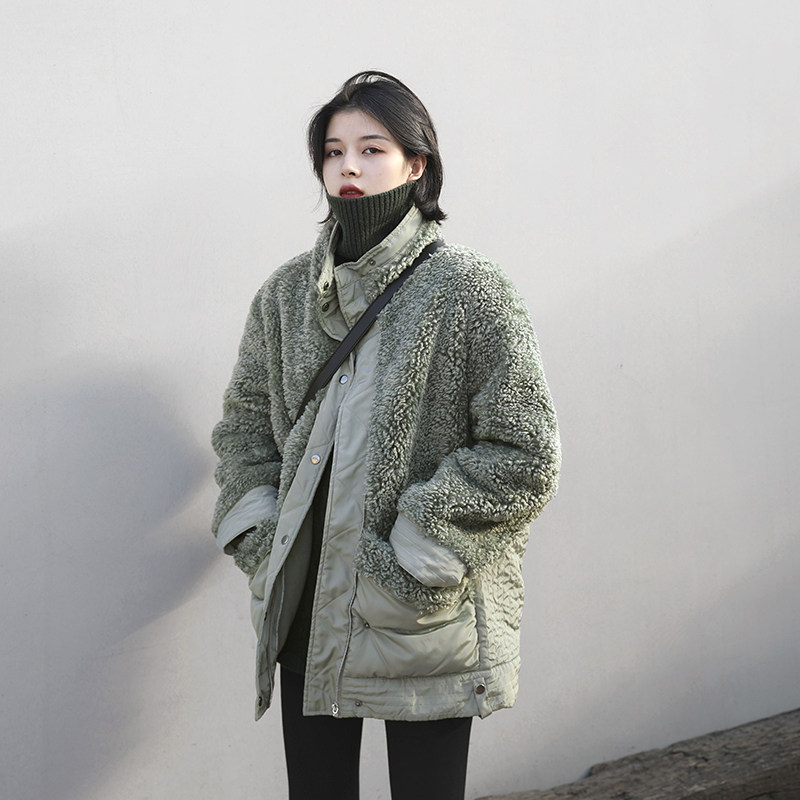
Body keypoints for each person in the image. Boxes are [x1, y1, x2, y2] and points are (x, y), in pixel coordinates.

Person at [211, 70, 561, 800]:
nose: (349, 166)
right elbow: (243, 431)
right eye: (334, 151)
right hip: (306, 605)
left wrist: (414, 556)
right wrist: (262, 542)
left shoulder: (470, 290)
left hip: (420, 612)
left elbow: (523, 452)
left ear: (416, 163)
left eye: (372, 149)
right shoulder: (285, 295)